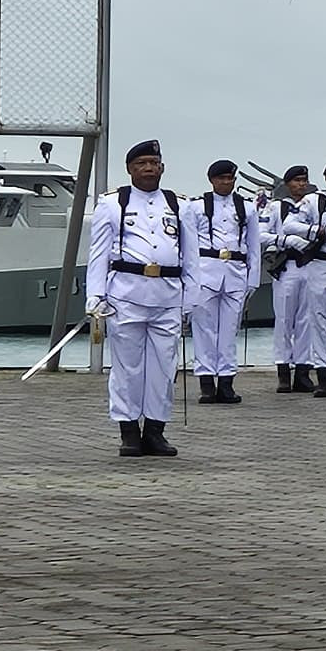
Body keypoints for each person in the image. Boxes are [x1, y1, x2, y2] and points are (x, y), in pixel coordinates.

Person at [85, 138, 193, 459]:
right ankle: (129, 431)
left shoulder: (179, 205)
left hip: (167, 295)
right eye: (141, 163)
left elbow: (191, 257)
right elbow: (98, 254)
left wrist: (192, 299)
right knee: (127, 367)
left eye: (154, 163)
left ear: (162, 167)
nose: (148, 168)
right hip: (126, 295)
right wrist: (95, 295)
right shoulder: (112, 204)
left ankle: (156, 431)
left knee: (164, 366)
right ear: (130, 169)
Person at [182, 159, 260, 404]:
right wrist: (188, 278)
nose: (226, 183)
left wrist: (253, 279)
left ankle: (226, 381)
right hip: (206, 270)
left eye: (230, 179)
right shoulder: (195, 207)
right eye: (222, 179)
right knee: (204, 329)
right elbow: (188, 245)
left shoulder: (246, 208)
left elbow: (254, 245)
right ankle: (206, 381)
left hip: (235, 271)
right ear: (212, 180)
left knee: (229, 330)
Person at [260, 164, 320, 392]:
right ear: (287, 184)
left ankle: (303, 371)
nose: (301, 185)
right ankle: (283, 371)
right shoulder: (275, 208)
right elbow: (261, 235)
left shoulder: (313, 206)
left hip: (310, 265)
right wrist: (285, 241)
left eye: (304, 180)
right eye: (296, 181)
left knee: (306, 320)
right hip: (287, 266)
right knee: (284, 319)